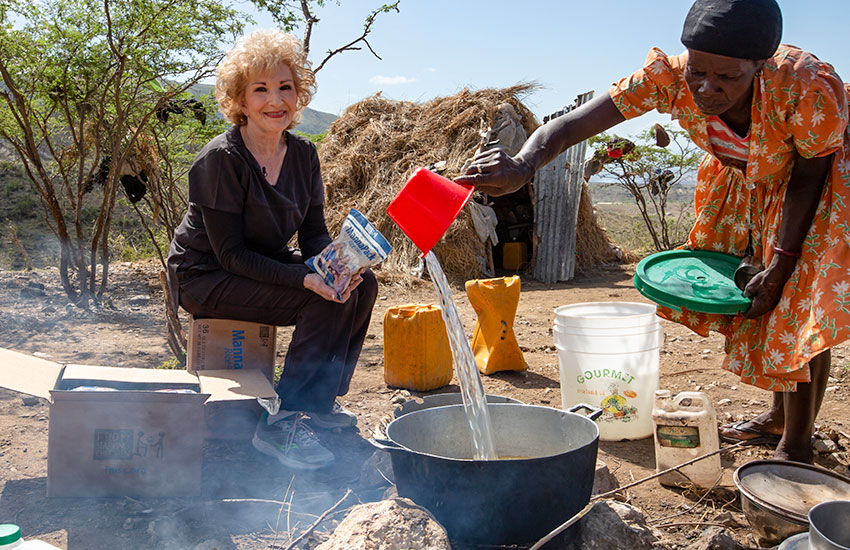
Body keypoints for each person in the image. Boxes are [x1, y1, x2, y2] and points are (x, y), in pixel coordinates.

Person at [457, 0, 850, 464]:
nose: (707, 89)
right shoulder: (667, 76)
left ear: (760, 67)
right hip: (749, 179)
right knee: (755, 291)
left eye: (727, 78)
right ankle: (780, 416)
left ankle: (797, 448)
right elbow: (572, 126)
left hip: (820, 183)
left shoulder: (805, 89)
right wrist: (523, 164)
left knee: (795, 302)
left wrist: (784, 261)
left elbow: (810, 175)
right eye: (699, 72)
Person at [166, 29, 378, 470]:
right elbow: (231, 256)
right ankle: (283, 423)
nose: (275, 99)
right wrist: (307, 277)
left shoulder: (303, 155)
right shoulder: (220, 159)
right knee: (317, 297)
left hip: (258, 262)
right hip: (206, 274)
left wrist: (338, 263)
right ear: (240, 101)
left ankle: (319, 406)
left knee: (360, 285)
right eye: (260, 89)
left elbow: (314, 232)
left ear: (298, 95)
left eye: (285, 87)